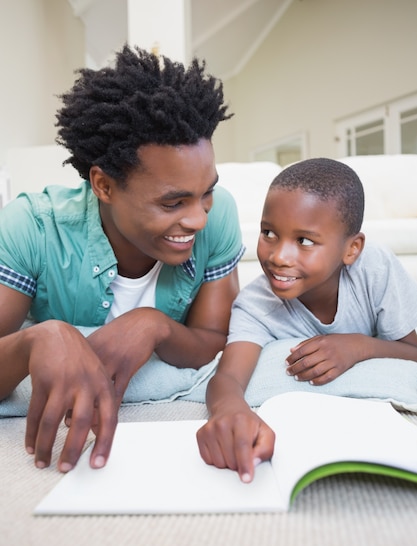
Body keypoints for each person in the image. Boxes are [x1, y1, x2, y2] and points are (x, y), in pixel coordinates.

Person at [0, 45, 244, 472]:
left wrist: (153, 325)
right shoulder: (31, 227)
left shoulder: (219, 213)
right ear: (104, 185)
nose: (198, 218)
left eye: (205, 191)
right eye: (173, 203)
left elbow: (211, 338)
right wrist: (36, 340)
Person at [197, 157, 417, 483]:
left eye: (304, 241)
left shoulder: (375, 269)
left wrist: (358, 346)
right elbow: (227, 378)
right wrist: (230, 409)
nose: (278, 257)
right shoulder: (255, 305)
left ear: (351, 249)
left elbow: (412, 350)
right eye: (268, 232)